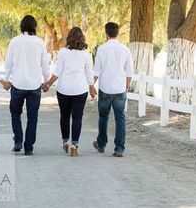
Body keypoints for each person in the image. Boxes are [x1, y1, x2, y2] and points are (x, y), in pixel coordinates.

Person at [43, 27, 97, 156]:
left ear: (69, 38)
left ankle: (65, 142)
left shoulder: (63, 53)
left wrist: (48, 84)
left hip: (64, 89)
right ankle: (74, 145)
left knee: (65, 116)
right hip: (80, 89)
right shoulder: (86, 55)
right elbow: (89, 75)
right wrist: (92, 88)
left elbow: (57, 72)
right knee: (77, 117)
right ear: (82, 39)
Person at [4, 15, 50, 156]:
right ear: (34, 27)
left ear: (21, 26)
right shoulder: (40, 42)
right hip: (34, 85)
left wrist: (6, 79)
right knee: (33, 117)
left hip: (18, 84)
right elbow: (45, 64)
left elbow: (9, 63)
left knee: (15, 113)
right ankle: (29, 147)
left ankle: (18, 140)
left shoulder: (14, 41)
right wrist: (46, 81)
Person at [92, 22, 133, 157]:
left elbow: (96, 71)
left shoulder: (102, 49)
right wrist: (126, 86)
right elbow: (129, 72)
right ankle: (119, 148)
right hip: (120, 88)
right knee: (120, 118)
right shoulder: (125, 49)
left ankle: (102, 143)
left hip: (105, 88)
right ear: (118, 32)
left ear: (106, 32)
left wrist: (91, 86)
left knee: (103, 117)